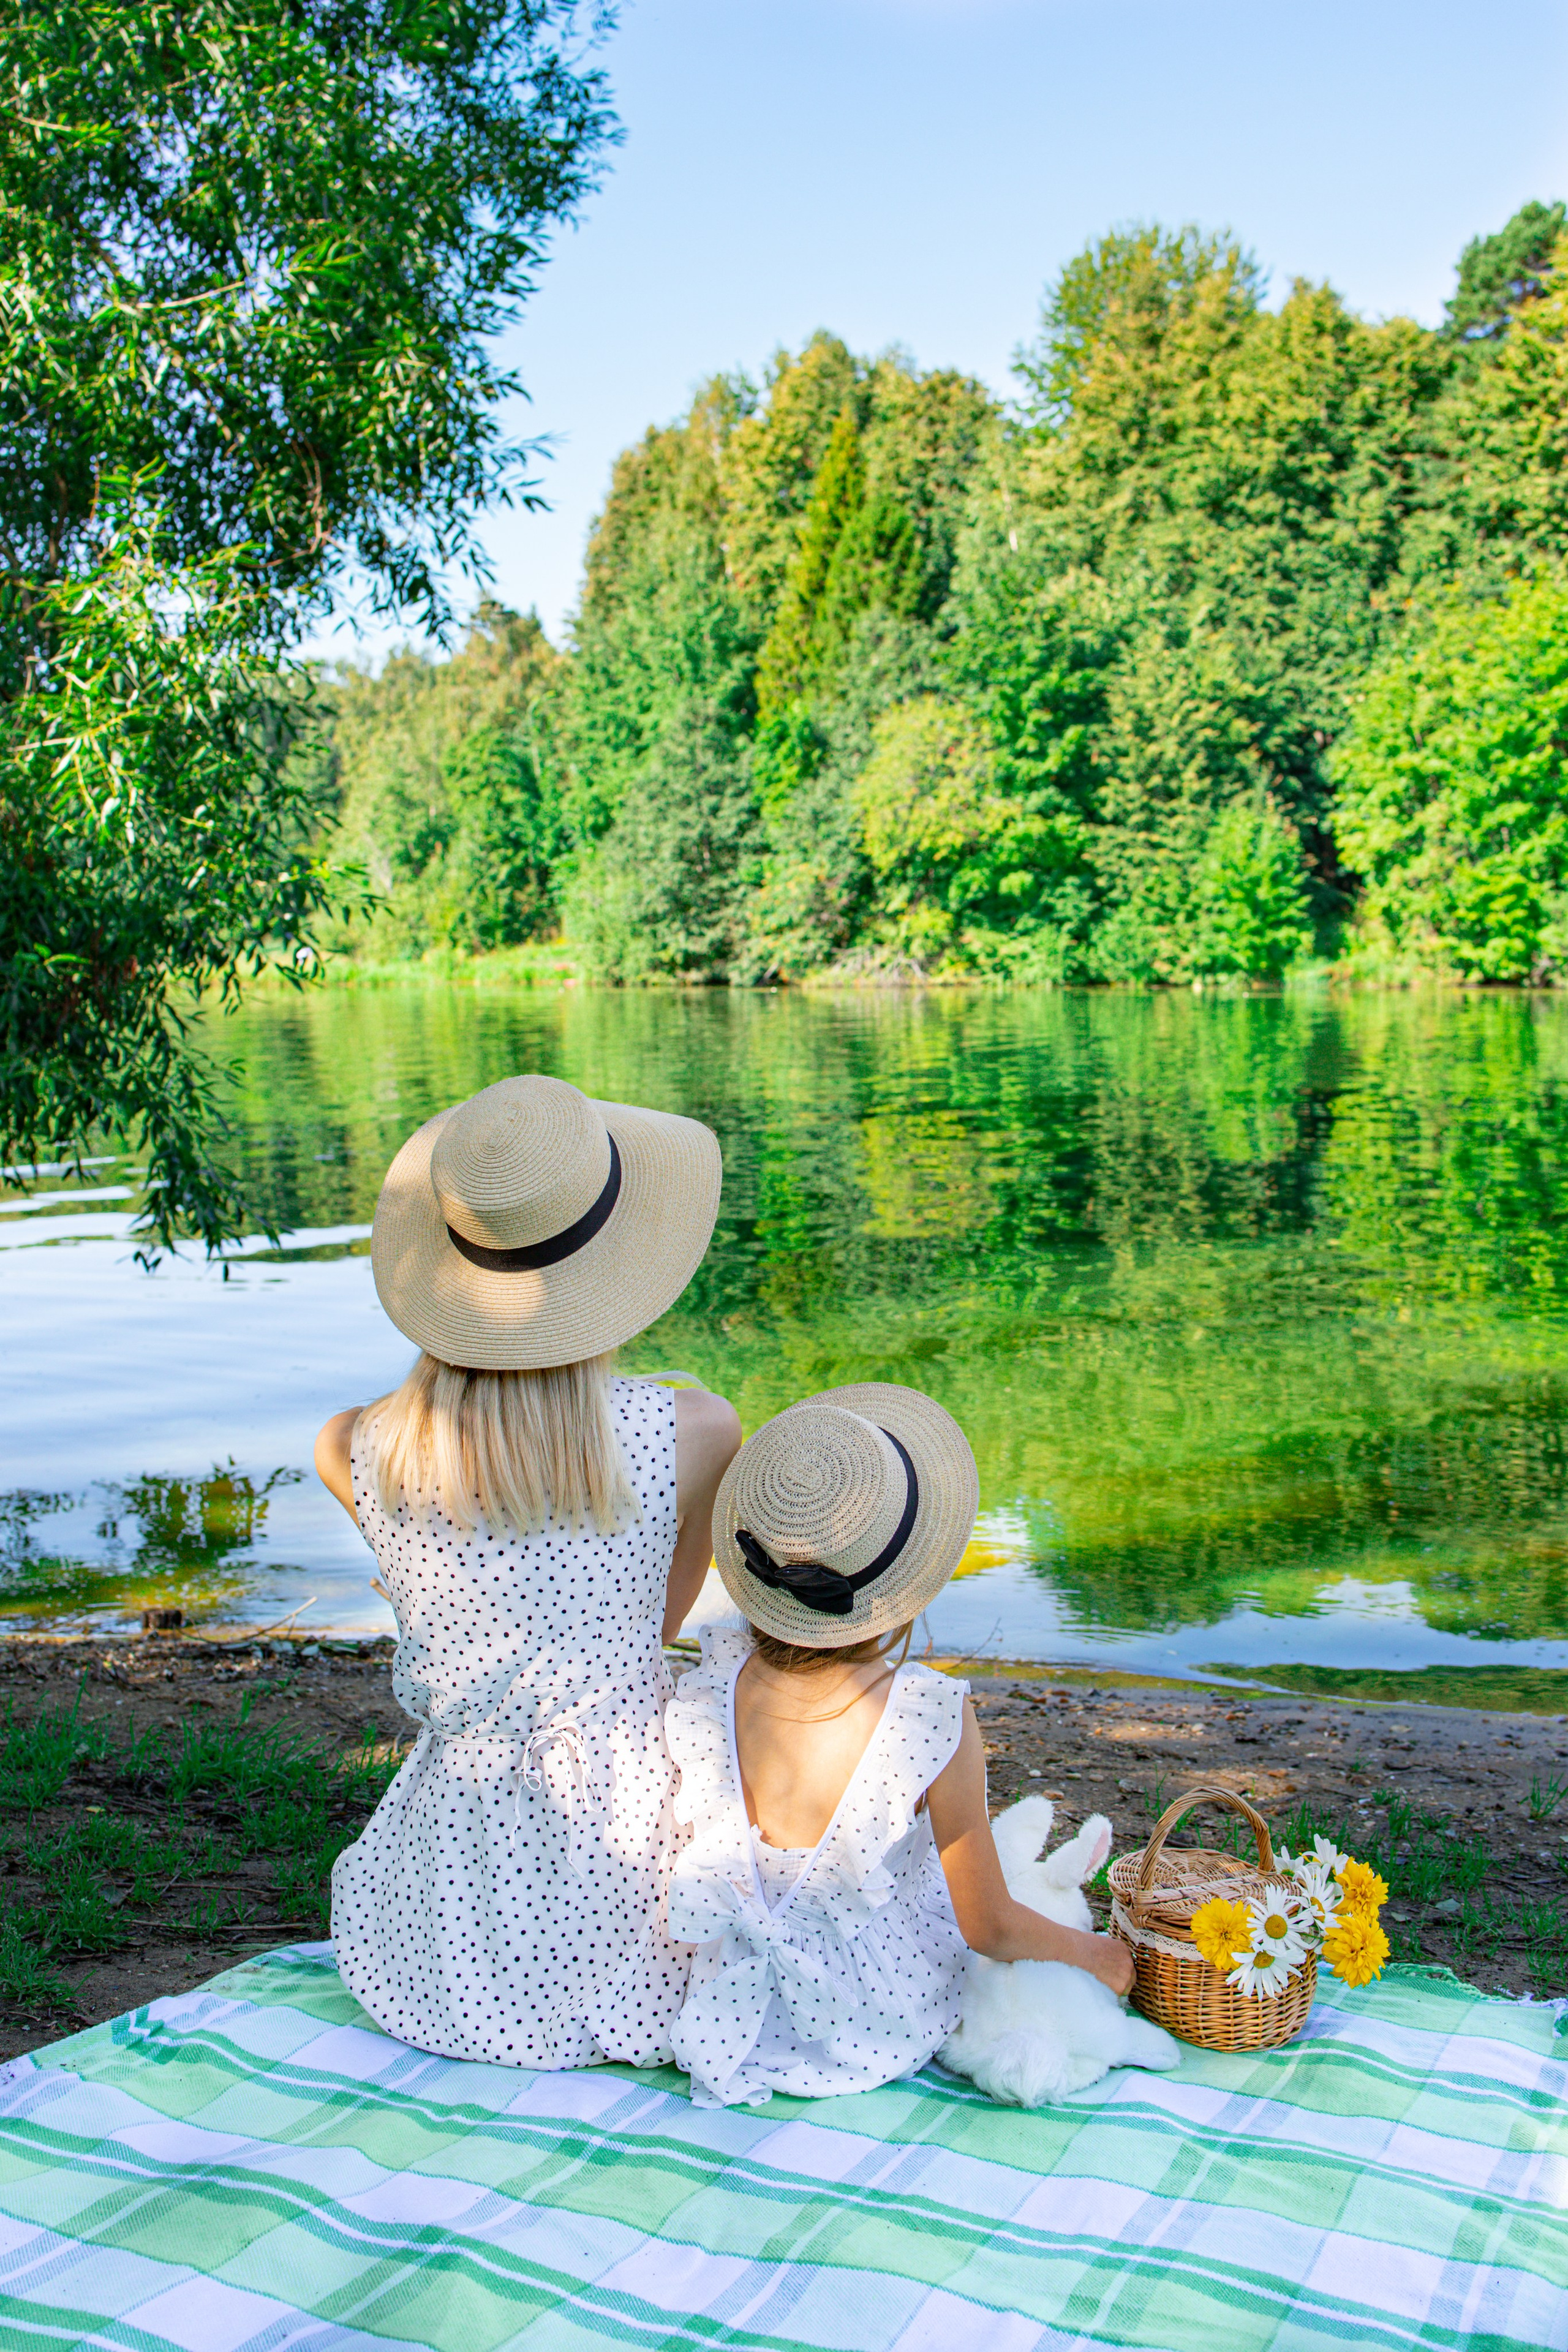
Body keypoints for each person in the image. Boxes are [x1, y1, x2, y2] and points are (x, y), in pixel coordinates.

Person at [314, 1072, 741, 2069]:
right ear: (618, 1261)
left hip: (440, 1927)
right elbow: (657, 1627)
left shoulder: (353, 1446)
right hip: (624, 1869)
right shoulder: (693, 1431)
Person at [665, 1384, 1134, 2107]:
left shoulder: (714, 1681)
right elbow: (989, 1926)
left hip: (735, 2011)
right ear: (903, 1582)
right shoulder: (925, 1714)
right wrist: (1099, 1956)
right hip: (869, 2023)